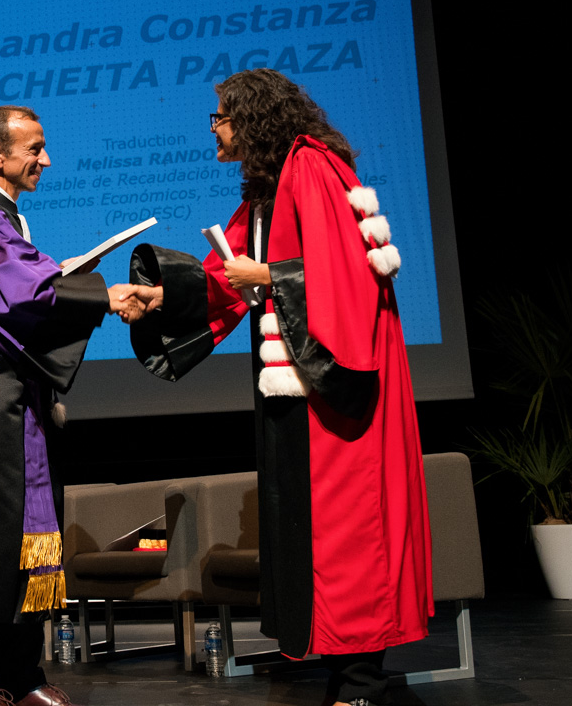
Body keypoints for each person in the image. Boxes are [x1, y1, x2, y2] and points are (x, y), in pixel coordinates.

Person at [121, 69, 432, 706]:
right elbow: (222, 273)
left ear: (253, 116)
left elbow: (346, 272)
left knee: (349, 527)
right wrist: (156, 297)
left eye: (220, 115)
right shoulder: (271, 184)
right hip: (300, 383)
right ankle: (346, 675)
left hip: (337, 382)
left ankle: (362, 686)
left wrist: (264, 275)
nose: (214, 127)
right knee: (318, 527)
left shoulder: (310, 167)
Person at [0, 106, 138, 706]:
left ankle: (21, 674)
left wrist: (83, 290)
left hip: (13, 390)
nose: (45, 159)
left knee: (25, 535)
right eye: (34, 148)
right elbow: (17, 292)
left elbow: (28, 285)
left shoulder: (3, 216)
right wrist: (104, 295)